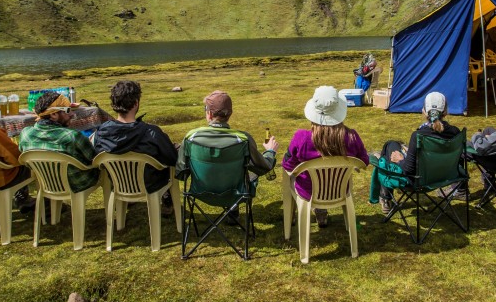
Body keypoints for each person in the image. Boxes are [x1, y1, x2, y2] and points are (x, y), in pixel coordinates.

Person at [176, 90, 278, 221]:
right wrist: (270, 151)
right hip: (236, 194)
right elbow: (264, 167)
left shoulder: (191, 137)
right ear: (230, 114)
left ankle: (232, 209)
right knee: (250, 174)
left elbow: (181, 172)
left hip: (199, 192)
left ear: (209, 113)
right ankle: (233, 208)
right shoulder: (243, 139)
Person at [282, 86, 368, 227]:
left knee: (290, 176)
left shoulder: (301, 137)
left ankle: (293, 215)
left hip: (308, 192)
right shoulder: (352, 137)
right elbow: (364, 161)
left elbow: (288, 165)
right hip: (339, 190)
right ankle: (321, 210)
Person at [92, 80, 178, 216]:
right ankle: (167, 201)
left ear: (114, 104)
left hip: (118, 183)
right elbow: (172, 158)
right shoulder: (152, 133)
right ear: (136, 103)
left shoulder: (101, 133)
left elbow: (96, 158)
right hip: (151, 185)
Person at [370, 92, 463, 214]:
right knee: (397, 146)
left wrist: (400, 159)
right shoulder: (455, 133)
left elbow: (408, 169)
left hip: (419, 181)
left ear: (424, 111)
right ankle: (386, 196)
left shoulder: (419, 136)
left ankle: (386, 198)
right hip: (444, 177)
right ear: (445, 111)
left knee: (390, 145)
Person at [19, 91, 100, 193]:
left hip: (46, 184)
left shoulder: (25, 134)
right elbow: (95, 159)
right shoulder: (72, 136)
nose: (72, 114)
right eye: (67, 110)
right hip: (77, 185)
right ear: (53, 114)